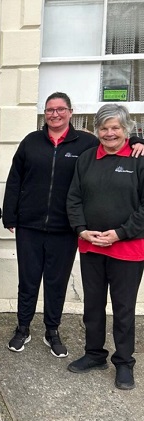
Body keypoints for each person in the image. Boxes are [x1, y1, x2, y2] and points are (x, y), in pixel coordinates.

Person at [3, 92, 144, 358]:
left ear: (70, 111)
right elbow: (14, 179)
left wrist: (137, 140)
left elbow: (115, 139)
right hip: (30, 226)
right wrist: (10, 216)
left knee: (57, 282)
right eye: (49, 110)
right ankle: (23, 328)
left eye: (60, 109)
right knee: (28, 280)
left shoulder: (86, 143)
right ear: (44, 114)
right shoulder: (31, 142)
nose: (54, 114)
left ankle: (52, 331)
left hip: (65, 228)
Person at [66, 104, 144, 390]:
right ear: (97, 130)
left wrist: (120, 234)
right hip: (91, 247)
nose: (110, 133)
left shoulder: (139, 159)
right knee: (93, 306)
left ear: (127, 131)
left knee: (123, 309)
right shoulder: (87, 159)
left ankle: (124, 363)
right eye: (104, 128)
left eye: (116, 128)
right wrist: (82, 230)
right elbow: (73, 198)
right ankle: (94, 354)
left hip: (128, 249)